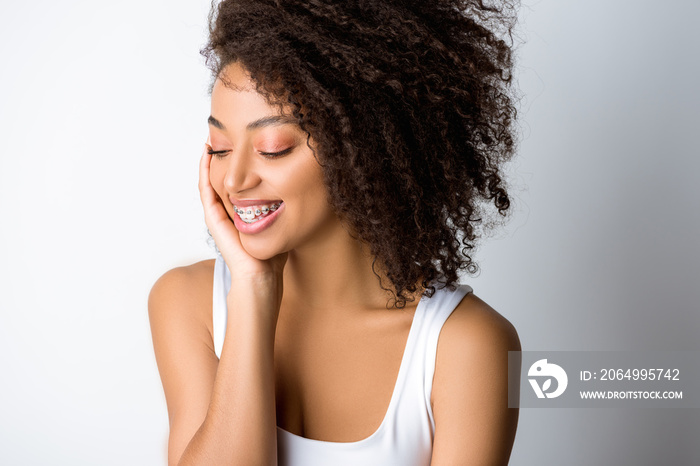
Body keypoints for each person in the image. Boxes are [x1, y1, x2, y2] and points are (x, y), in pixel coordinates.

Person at [148, 0, 522, 464]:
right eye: (220, 148)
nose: (234, 180)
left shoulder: (467, 346)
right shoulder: (187, 304)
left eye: (273, 149)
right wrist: (252, 289)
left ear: (360, 146)